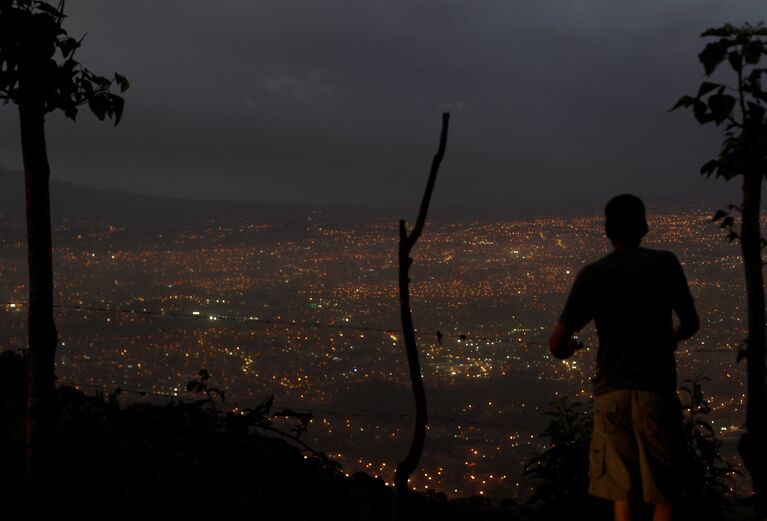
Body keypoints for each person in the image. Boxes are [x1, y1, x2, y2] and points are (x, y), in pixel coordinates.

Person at [549, 194, 700, 521]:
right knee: (664, 491)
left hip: (611, 395)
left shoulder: (592, 275)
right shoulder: (664, 264)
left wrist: (570, 351)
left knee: (622, 492)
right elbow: (691, 323)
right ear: (644, 225)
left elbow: (557, 343)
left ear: (607, 230)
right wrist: (669, 339)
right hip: (655, 393)